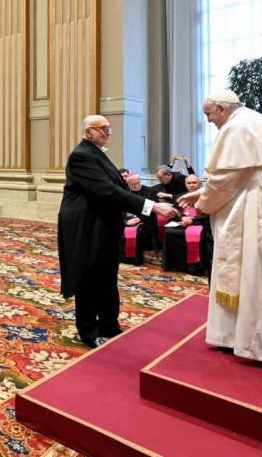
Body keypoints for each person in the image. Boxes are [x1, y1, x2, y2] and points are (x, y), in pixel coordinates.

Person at [177, 91, 262, 371]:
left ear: (221, 108)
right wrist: (202, 193)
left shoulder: (236, 126)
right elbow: (242, 174)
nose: (210, 122)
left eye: (209, 115)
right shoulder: (254, 119)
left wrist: (203, 204)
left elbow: (227, 179)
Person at [58, 115, 177, 349]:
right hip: (87, 226)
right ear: (88, 131)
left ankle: (109, 324)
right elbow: (108, 191)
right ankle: (88, 331)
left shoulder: (97, 153)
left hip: (104, 224)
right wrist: (151, 206)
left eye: (109, 128)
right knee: (89, 277)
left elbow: (116, 189)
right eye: (103, 129)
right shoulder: (81, 155)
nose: (108, 132)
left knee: (107, 274)